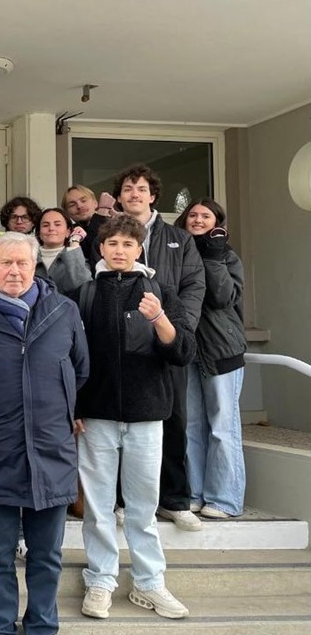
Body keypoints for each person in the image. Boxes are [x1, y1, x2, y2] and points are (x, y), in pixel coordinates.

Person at [0, 232, 88, 635]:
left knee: (46, 554)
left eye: (23, 263)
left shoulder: (63, 311)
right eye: (6, 262)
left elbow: (81, 370)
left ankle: (43, 625)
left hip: (50, 449)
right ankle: (0, 625)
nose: (14, 271)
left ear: (35, 265)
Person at [74, 215, 196, 621]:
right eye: (113, 244)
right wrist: (73, 409)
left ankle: (149, 583)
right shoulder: (84, 295)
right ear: (101, 249)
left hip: (147, 415)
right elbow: (72, 359)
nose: (120, 250)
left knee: (144, 507)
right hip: (96, 416)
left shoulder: (159, 291)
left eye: (128, 243)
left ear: (139, 248)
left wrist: (159, 317)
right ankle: (100, 579)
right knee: (99, 506)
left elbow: (182, 353)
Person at [113, 164, 205, 531]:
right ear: (119, 197)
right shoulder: (107, 235)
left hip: (167, 343)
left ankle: (174, 500)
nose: (134, 194)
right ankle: (124, 501)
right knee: (123, 422)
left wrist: (179, 331)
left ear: (153, 196)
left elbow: (194, 287)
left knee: (174, 420)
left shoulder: (178, 239)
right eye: (127, 189)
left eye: (141, 189)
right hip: (123, 347)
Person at [175, 199, 248, 519]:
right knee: (191, 425)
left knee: (222, 426)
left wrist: (214, 256)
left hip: (221, 350)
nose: (198, 219)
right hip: (188, 349)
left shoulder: (226, 256)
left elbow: (222, 297)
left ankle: (224, 499)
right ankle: (195, 493)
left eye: (206, 216)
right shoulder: (177, 253)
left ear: (218, 222)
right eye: (193, 214)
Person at [34, 207, 92, 296]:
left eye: (57, 224)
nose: (51, 228)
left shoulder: (78, 259)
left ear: (68, 232)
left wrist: (74, 242)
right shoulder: (29, 258)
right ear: (39, 233)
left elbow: (83, 288)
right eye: (45, 225)